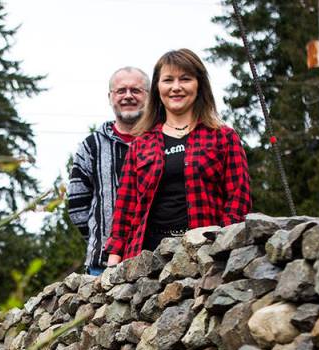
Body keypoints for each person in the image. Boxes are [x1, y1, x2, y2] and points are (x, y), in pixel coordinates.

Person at [105, 49, 251, 266]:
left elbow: (239, 199)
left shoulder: (223, 137)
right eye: (168, 80)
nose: (176, 87)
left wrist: (222, 245)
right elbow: (125, 209)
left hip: (205, 255)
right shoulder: (140, 145)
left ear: (199, 84)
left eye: (185, 79)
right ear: (157, 88)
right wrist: (113, 262)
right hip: (147, 261)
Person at [67, 66, 150, 276]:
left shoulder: (162, 141)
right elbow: (77, 205)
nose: (128, 96)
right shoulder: (91, 146)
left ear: (149, 96)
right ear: (110, 96)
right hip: (101, 266)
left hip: (156, 259)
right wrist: (101, 236)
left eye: (136, 90)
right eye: (121, 91)